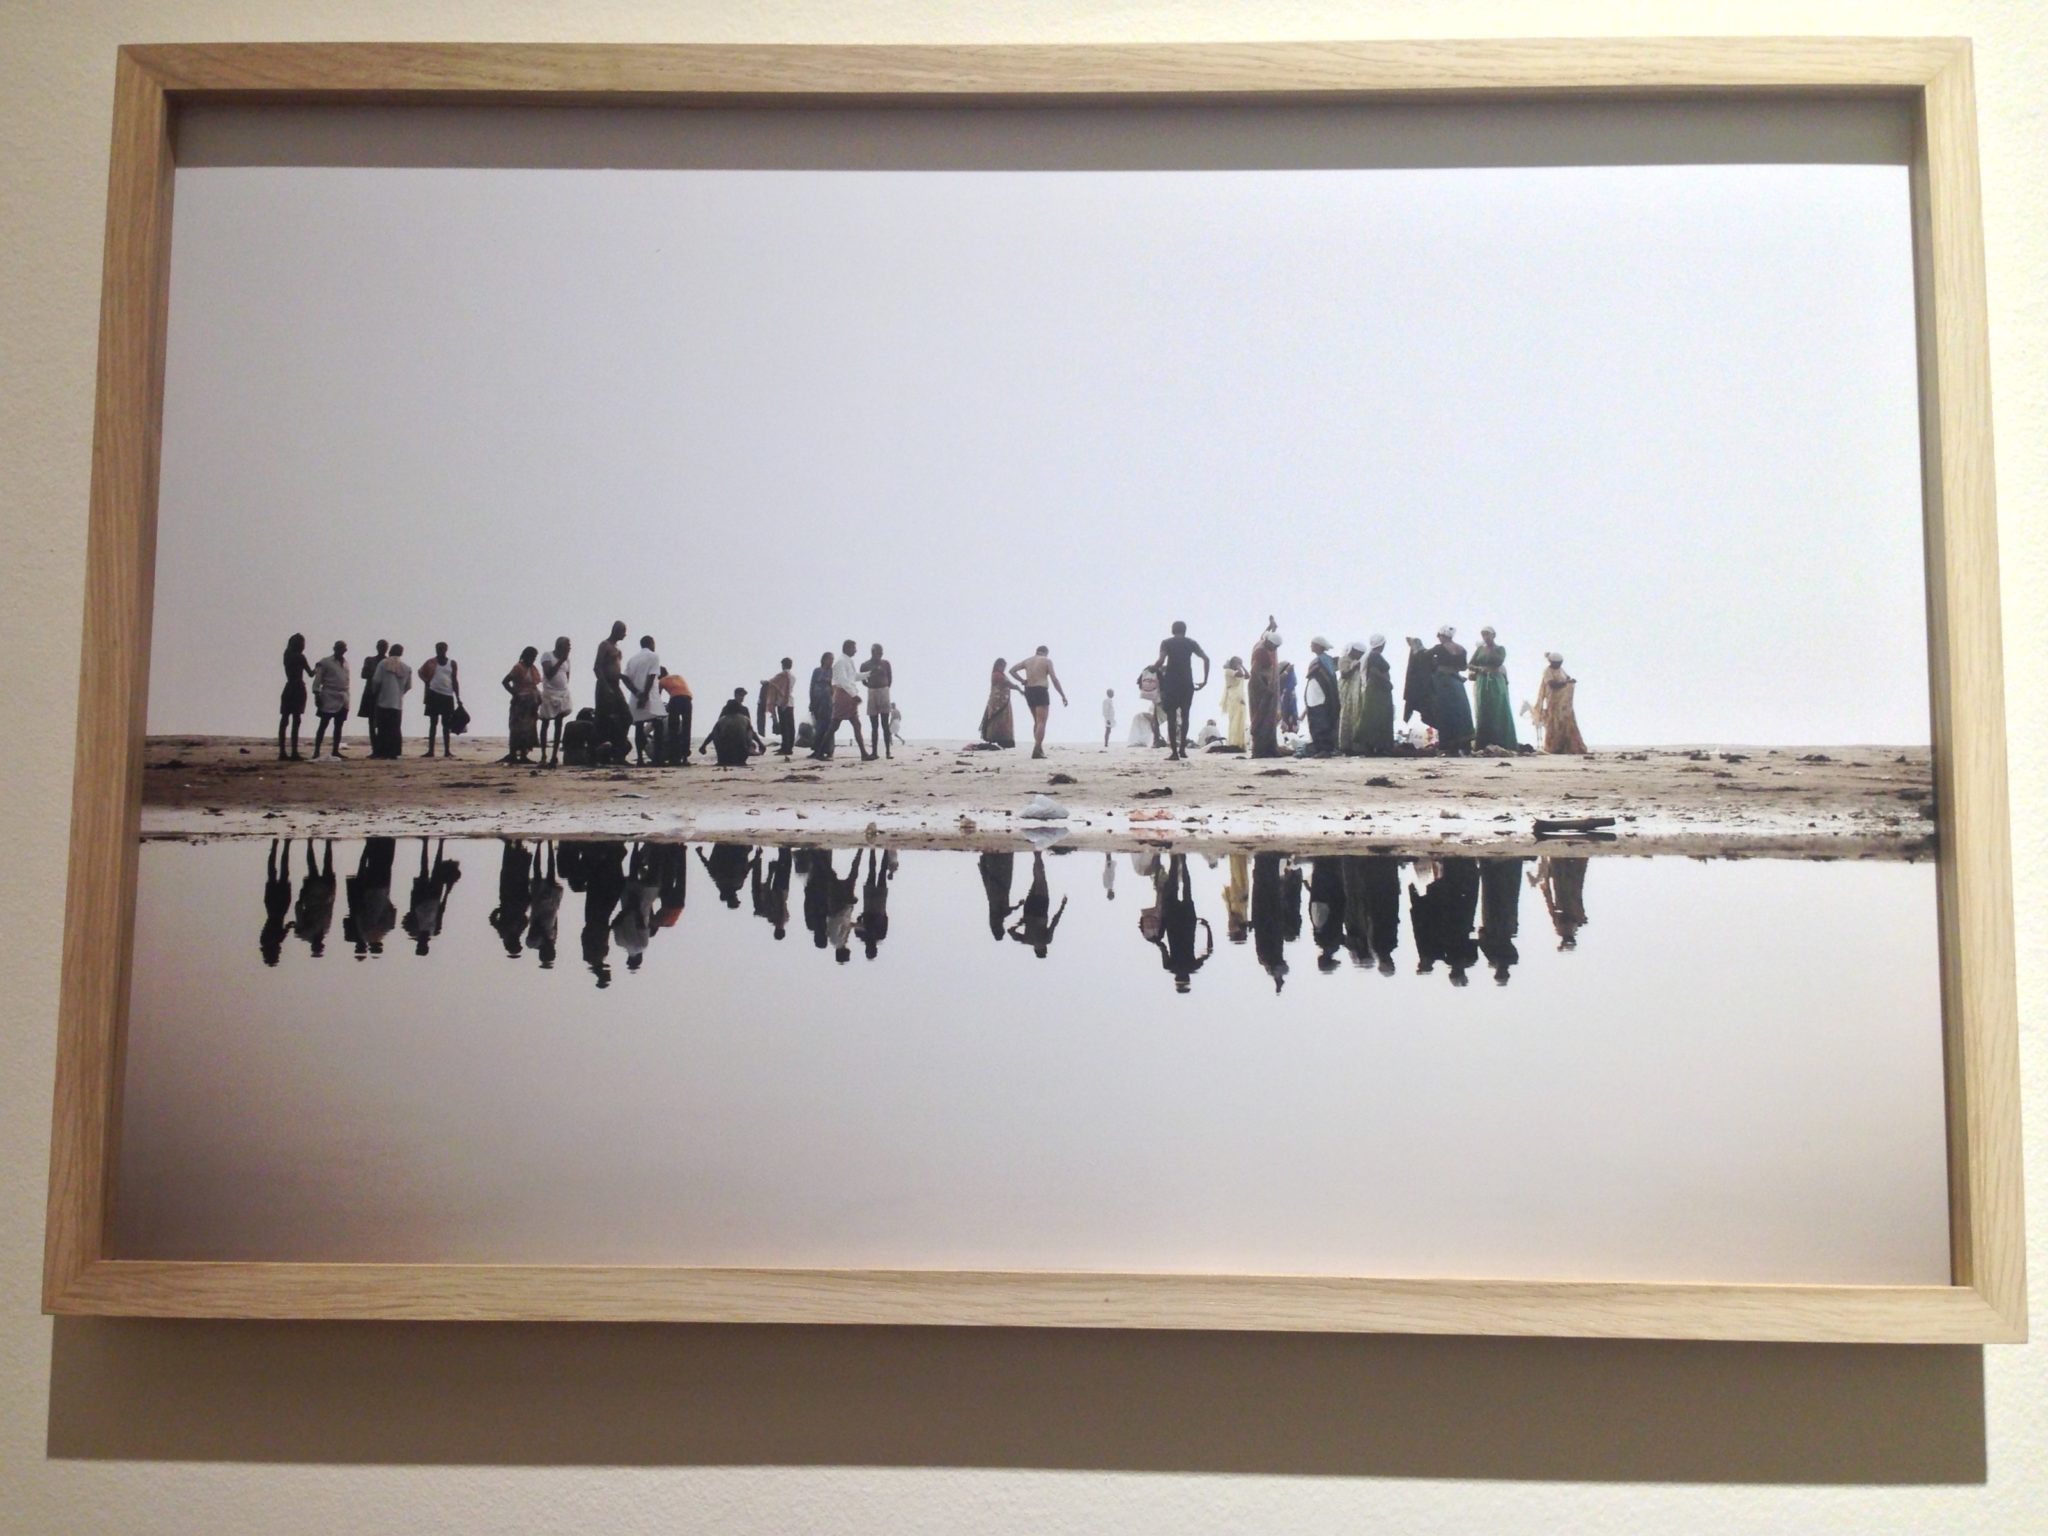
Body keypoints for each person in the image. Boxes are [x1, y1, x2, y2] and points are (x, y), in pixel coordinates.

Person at [1155, 622, 1210, 760]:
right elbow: (1206, 658)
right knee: (1185, 716)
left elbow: (1161, 661)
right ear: (1185, 631)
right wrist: (1205, 680)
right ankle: (1182, 750)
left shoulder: (1166, 643)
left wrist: (1152, 668)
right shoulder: (1191, 643)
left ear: (1172, 630)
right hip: (1187, 683)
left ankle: (1174, 752)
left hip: (1171, 684)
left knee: (1171, 718)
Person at [1008, 646, 1066, 759]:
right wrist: (1062, 695)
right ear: (1046, 652)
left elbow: (1012, 671)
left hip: (1029, 690)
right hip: (1040, 690)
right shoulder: (1047, 661)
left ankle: (1039, 748)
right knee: (1042, 722)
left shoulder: (1027, 661)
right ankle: (1037, 748)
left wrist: (1022, 681)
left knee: (1036, 721)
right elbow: (1054, 679)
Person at [1008, 851, 1067, 957]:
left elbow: (1054, 922)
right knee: (1037, 879)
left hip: (1041, 910)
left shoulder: (1046, 940)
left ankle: (1037, 854)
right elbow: (1010, 931)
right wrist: (1021, 922)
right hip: (1028, 912)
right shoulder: (1027, 940)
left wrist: (1062, 906)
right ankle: (1037, 856)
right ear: (1035, 950)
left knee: (1040, 879)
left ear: (1044, 949)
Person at [1527, 651, 1587, 754]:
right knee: (1554, 724)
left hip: (1564, 703)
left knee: (1566, 723)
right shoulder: (1548, 671)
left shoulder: (1561, 670)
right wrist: (1565, 683)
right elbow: (1552, 684)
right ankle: (1554, 746)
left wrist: (1570, 681)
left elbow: (1567, 678)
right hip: (1554, 702)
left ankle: (1568, 746)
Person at [1469, 625, 1518, 750]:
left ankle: (1501, 740)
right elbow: (1470, 664)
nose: (1485, 637)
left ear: (1493, 635)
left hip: (1495, 681)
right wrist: (1479, 669)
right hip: (1482, 681)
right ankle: (1483, 742)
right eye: (1483, 635)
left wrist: (1490, 649)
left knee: (1498, 708)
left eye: (1487, 634)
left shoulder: (1500, 649)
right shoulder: (1480, 649)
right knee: (1483, 708)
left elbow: (1498, 661)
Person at [1428, 626, 1476, 754]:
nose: (1438, 638)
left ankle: (1449, 746)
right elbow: (1463, 667)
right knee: (1461, 712)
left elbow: (1424, 658)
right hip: (1457, 682)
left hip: (1443, 682)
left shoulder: (1438, 649)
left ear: (1443, 635)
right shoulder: (1462, 649)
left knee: (1445, 712)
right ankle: (1464, 745)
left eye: (1439, 635)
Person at [593, 621, 631, 763]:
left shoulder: (617, 648)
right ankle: (597, 752)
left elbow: (615, 669)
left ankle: (618, 752)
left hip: (616, 685)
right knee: (603, 718)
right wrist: (605, 687)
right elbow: (597, 667)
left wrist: (622, 677)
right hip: (605, 685)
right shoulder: (605, 645)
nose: (625, 634)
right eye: (623, 631)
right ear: (616, 630)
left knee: (626, 717)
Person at [622, 635, 663, 764]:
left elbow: (624, 678)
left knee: (639, 727)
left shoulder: (632, 659)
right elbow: (652, 676)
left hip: (636, 697)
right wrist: (645, 695)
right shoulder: (654, 656)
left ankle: (640, 758)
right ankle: (657, 758)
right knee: (658, 724)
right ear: (651, 643)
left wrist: (636, 693)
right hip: (650, 696)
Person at [292, 838, 337, 957]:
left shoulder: (307, 932)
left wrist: (301, 898)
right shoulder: (324, 929)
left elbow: (299, 911)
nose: (320, 943)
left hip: (313, 895)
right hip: (322, 895)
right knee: (321, 866)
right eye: (321, 945)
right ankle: (324, 843)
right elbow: (329, 910)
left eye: (318, 946)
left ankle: (313, 844)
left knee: (314, 867)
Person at [418, 641, 463, 758]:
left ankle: (447, 751)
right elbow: (420, 672)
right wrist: (427, 681)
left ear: (446, 650)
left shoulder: (451, 663)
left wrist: (458, 697)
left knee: (446, 724)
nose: (439, 651)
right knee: (433, 723)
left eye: (442, 649)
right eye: (438, 649)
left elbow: (454, 680)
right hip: (433, 694)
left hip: (447, 695)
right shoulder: (431, 662)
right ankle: (430, 751)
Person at [700, 687, 766, 765]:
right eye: (740, 695)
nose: (742, 698)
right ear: (735, 695)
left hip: (723, 758)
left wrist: (703, 746)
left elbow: (713, 733)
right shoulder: (744, 718)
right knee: (748, 730)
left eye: (743, 696)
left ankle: (722, 758)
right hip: (741, 758)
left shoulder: (723, 720)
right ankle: (745, 751)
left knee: (717, 730)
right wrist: (761, 744)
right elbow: (750, 731)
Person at [500, 645, 543, 764]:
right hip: (520, 703)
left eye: (534, 657)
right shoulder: (518, 667)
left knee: (528, 729)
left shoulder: (533, 669)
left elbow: (535, 684)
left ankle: (524, 755)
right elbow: (505, 681)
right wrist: (515, 694)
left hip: (531, 703)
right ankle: (513, 754)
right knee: (516, 728)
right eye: (532, 657)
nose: (533, 659)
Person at [831, 639, 873, 760]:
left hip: (847, 695)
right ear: (848, 648)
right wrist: (854, 695)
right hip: (844, 695)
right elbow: (843, 680)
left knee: (851, 724)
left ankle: (864, 753)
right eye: (854, 648)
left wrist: (868, 674)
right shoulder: (841, 662)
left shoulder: (848, 661)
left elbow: (853, 677)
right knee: (836, 725)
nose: (856, 650)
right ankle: (819, 751)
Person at [309, 640, 351, 759]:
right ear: (334, 649)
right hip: (328, 695)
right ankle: (317, 750)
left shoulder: (346, 663)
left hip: (343, 696)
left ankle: (335, 750)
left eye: (343, 648)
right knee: (323, 723)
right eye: (338, 648)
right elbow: (318, 679)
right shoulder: (325, 662)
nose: (341, 650)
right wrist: (316, 694)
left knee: (339, 725)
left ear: (345, 650)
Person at [1247, 618, 1282, 758]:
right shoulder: (1261, 652)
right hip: (1260, 688)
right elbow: (1255, 672)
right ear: (1269, 643)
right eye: (1274, 647)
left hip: (1263, 687)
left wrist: (1271, 627)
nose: (1275, 650)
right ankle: (1261, 748)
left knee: (1267, 718)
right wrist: (1266, 690)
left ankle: (1267, 747)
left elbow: (1264, 635)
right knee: (1261, 718)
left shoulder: (1262, 643)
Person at [371, 642, 412, 758]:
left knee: (383, 727)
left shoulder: (383, 663)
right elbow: (408, 686)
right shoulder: (406, 667)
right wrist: (400, 693)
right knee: (395, 728)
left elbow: (376, 681)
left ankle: (382, 751)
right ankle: (395, 751)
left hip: (383, 699)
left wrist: (375, 692)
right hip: (397, 702)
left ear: (390, 651)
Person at [538, 636, 573, 767]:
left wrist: (564, 660)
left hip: (562, 693)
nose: (569, 647)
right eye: (567, 645)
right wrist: (560, 661)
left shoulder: (567, 660)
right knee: (545, 722)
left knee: (559, 723)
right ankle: (543, 755)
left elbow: (567, 676)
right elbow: (549, 674)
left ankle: (554, 756)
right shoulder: (547, 656)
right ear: (560, 646)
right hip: (549, 693)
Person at [278, 633, 312, 761]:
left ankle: (282, 751)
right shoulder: (300, 657)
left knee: (284, 720)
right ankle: (294, 751)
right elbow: (310, 673)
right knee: (296, 720)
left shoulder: (287, 655)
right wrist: (318, 668)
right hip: (298, 688)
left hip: (288, 687)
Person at [1302, 637, 1338, 755]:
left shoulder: (1322, 660)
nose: (1310, 646)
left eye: (1312, 644)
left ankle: (1324, 749)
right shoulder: (1323, 660)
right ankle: (1322, 749)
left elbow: (1327, 679)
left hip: (1320, 696)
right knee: (1318, 720)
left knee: (1320, 722)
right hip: (1317, 696)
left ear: (1319, 646)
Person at [260, 838, 293, 963]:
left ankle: (282, 846)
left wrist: (291, 926)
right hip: (273, 906)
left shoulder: (270, 941)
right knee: (273, 874)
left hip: (279, 908)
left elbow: (285, 928)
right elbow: (286, 927)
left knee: (280, 873)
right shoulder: (266, 941)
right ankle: (278, 846)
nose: (279, 952)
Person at [1361, 635, 1396, 754]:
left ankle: (1373, 746)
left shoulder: (1371, 655)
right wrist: (1387, 682)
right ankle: (1380, 746)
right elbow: (1374, 671)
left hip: (1376, 690)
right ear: (1382, 644)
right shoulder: (1375, 655)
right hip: (1378, 691)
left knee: (1373, 717)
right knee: (1380, 717)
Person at [860, 643, 894, 759]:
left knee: (885, 724)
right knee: (874, 725)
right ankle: (874, 752)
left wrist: (885, 686)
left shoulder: (886, 663)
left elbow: (890, 678)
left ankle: (888, 752)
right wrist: (871, 685)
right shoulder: (865, 665)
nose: (881, 654)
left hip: (884, 691)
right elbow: (863, 680)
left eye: (881, 652)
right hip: (872, 692)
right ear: (873, 652)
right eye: (879, 652)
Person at [979, 657, 1021, 749]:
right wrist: (1017, 687)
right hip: (997, 701)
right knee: (996, 719)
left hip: (1003, 700)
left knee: (1003, 719)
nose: (1004, 668)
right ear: (998, 665)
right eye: (1003, 666)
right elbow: (1007, 683)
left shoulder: (1001, 674)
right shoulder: (996, 674)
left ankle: (1003, 740)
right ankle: (994, 738)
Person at [1337, 640, 1370, 756]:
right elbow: (1344, 674)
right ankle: (1345, 746)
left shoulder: (1361, 661)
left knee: (1356, 717)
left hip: (1356, 694)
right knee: (1346, 717)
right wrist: (1353, 667)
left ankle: (1356, 746)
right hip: (1346, 693)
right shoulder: (1344, 659)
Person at [759, 657, 797, 756]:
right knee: (790, 726)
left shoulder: (783, 675)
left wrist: (763, 682)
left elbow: (771, 682)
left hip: (782, 702)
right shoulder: (793, 676)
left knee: (784, 726)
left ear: (783, 665)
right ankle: (789, 747)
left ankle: (785, 748)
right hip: (790, 702)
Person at [1401, 636, 1437, 735]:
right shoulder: (1415, 655)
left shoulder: (1424, 654)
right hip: (1419, 689)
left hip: (1424, 689)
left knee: (1427, 713)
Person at [357, 639, 389, 748]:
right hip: (370, 693)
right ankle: (374, 747)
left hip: (384, 694)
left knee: (383, 722)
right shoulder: (370, 660)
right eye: (381, 646)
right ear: (377, 647)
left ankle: (381, 746)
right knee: (371, 721)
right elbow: (363, 674)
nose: (383, 648)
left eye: (385, 646)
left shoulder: (389, 661)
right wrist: (378, 674)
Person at [659, 666, 693, 765]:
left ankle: (674, 758)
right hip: (688, 700)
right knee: (686, 729)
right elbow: (681, 690)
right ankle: (685, 758)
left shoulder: (661, 681)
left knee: (673, 729)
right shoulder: (678, 676)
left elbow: (657, 697)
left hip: (675, 700)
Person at [807, 651, 837, 759]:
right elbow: (812, 686)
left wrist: (828, 682)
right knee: (818, 726)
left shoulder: (833, 672)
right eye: (830, 659)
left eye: (832, 659)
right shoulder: (817, 671)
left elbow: (835, 686)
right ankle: (816, 750)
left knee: (827, 726)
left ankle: (828, 750)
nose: (831, 661)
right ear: (824, 659)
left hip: (828, 702)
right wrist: (811, 701)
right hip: (817, 701)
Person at [1218, 656, 1249, 749]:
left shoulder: (1237, 671)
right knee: (1235, 718)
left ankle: (1240, 742)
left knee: (1241, 719)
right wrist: (1239, 667)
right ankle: (1233, 742)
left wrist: (1242, 666)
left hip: (1240, 696)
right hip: (1233, 696)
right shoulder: (1228, 671)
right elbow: (1240, 674)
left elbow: (1248, 676)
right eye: (1237, 663)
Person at [1133, 664, 1163, 747]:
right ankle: (1157, 739)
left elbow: (1138, 682)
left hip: (1154, 697)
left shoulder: (1147, 672)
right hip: (1160, 697)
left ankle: (1156, 739)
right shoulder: (1160, 672)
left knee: (1155, 720)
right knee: (1156, 720)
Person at [1278, 660, 1300, 738]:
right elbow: (1278, 681)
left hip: (1289, 700)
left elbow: (1295, 682)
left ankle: (1290, 734)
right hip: (1285, 701)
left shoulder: (1290, 689)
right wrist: (1287, 671)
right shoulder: (1282, 677)